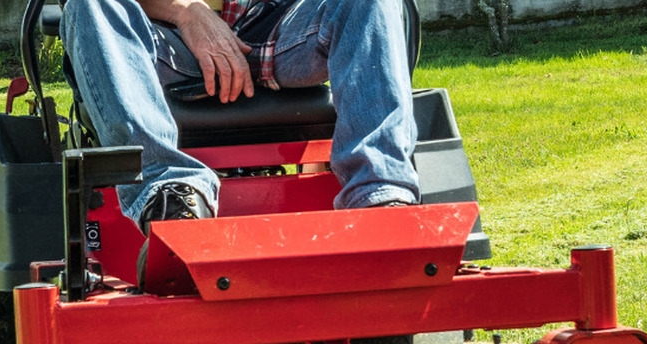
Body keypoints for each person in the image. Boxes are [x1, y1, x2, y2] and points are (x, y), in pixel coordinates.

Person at [60, 0, 421, 239]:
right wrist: (187, 12)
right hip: (161, 40)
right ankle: (171, 197)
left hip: (273, 28)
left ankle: (380, 198)